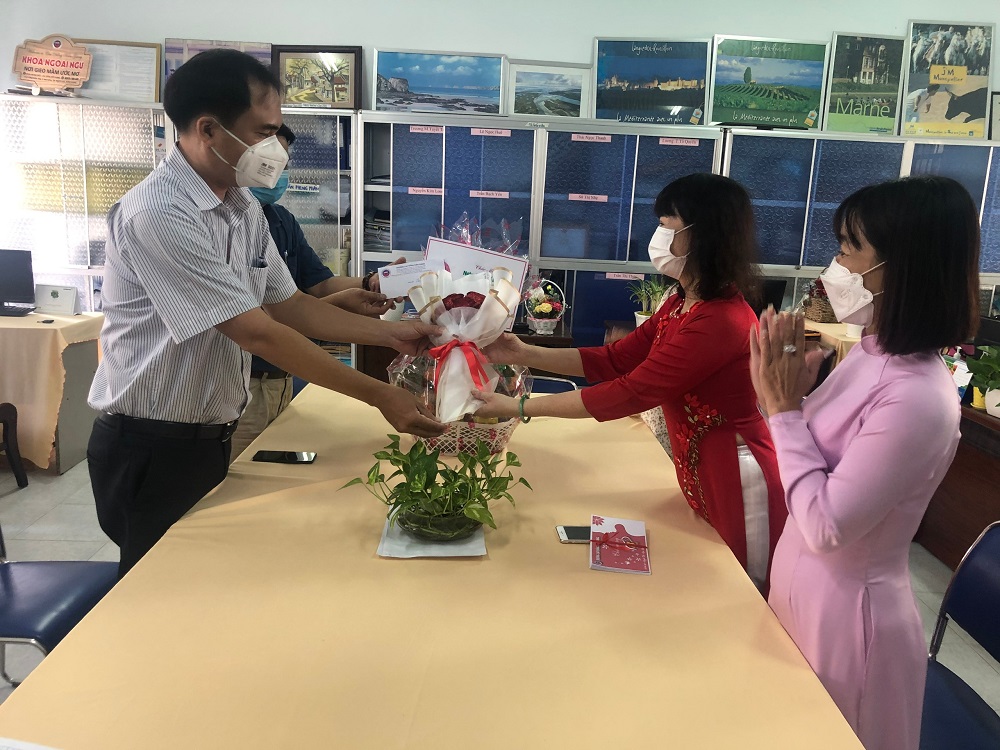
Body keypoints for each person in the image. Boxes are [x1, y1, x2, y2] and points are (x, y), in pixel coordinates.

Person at [87, 48, 444, 577]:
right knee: (161, 590)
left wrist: (394, 335)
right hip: (151, 444)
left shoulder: (242, 206)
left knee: (211, 580)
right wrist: (379, 395)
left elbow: (292, 305)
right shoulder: (159, 213)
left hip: (210, 435)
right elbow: (258, 333)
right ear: (208, 129)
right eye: (263, 132)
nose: (275, 149)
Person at [750, 175, 980, 750]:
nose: (837, 264)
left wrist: (783, 409)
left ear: (901, 267)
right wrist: (793, 398)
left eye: (850, 248)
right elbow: (817, 460)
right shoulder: (870, 353)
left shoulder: (918, 396)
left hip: (850, 622)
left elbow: (827, 525)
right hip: (801, 589)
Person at [473, 173, 786, 591]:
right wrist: (524, 352)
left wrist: (517, 407)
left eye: (668, 225)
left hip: (735, 476)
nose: (658, 236)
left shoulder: (719, 321)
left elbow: (631, 392)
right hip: (700, 469)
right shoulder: (681, 304)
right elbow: (616, 359)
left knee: (737, 592)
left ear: (703, 235)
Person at [230, 122, 404, 461]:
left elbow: (316, 286)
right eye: (269, 161)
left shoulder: (278, 220)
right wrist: (380, 391)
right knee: (240, 476)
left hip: (281, 378)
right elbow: (264, 325)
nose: (277, 172)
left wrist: (370, 283)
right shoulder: (218, 224)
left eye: (283, 164)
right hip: (245, 382)